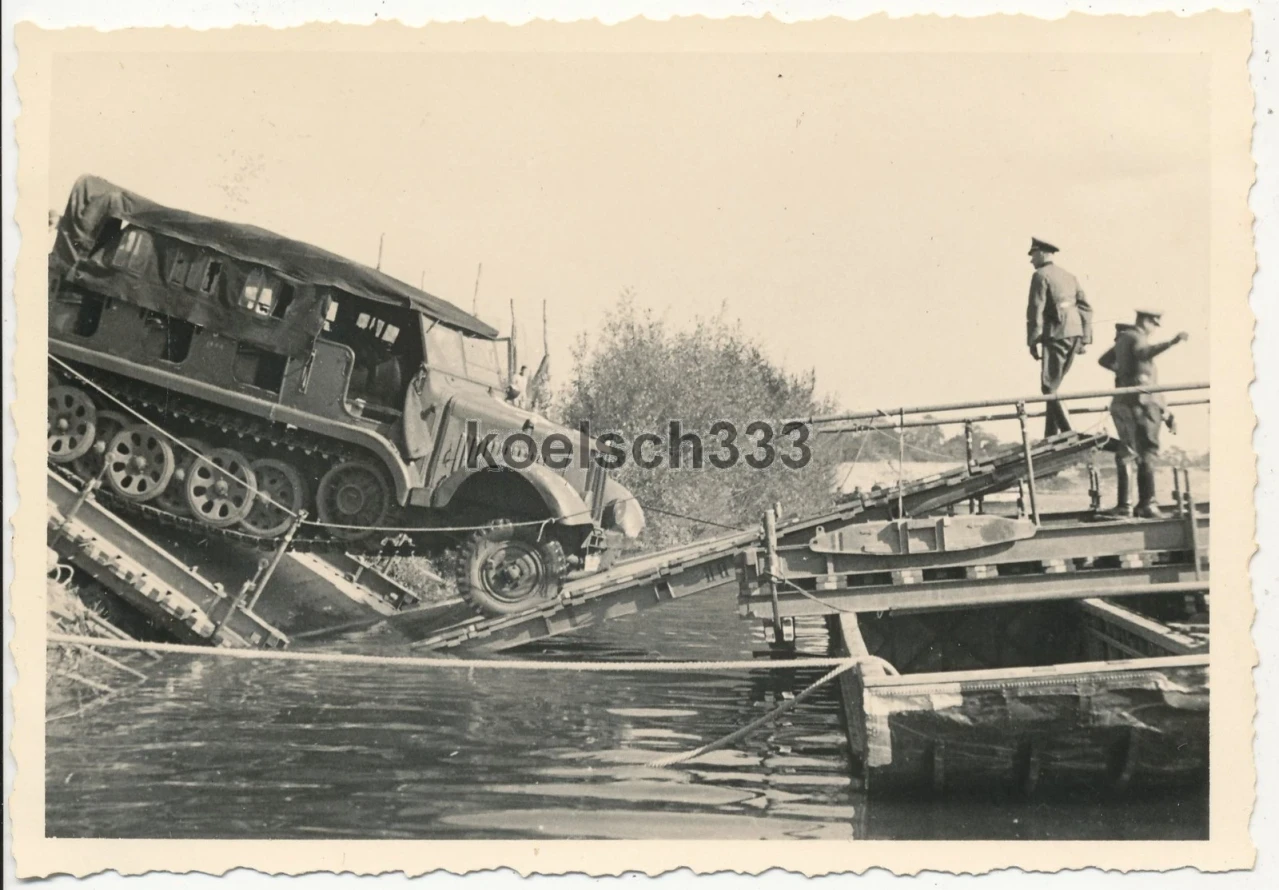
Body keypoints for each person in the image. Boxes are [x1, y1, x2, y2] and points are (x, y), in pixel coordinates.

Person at [1097, 310, 1189, 518]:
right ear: (1147, 322)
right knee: (1146, 451)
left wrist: (1123, 373)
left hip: (1126, 401)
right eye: (1154, 325)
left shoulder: (1124, 339)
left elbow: (1104, 360)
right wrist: (1172, 342)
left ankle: (1128, 505)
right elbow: (1143, 354)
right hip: (1140, 404)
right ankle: (1145, 504)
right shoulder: (1137, 337)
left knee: (1129, 450)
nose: (1155, 330)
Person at [1025, 238, 1093, 438]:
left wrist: (1032, 341)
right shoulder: (1069, 276)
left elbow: (1035, 310)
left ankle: (1067, 431)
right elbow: (1086, 308)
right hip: (1074, 332)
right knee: (1054, 386)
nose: (1031, 260)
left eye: (1033, 255)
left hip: (1056, 333)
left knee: (1048, 386)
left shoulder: (1040, 275)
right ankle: (1051, 434)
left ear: (1043, 253)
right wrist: (1084, 338)